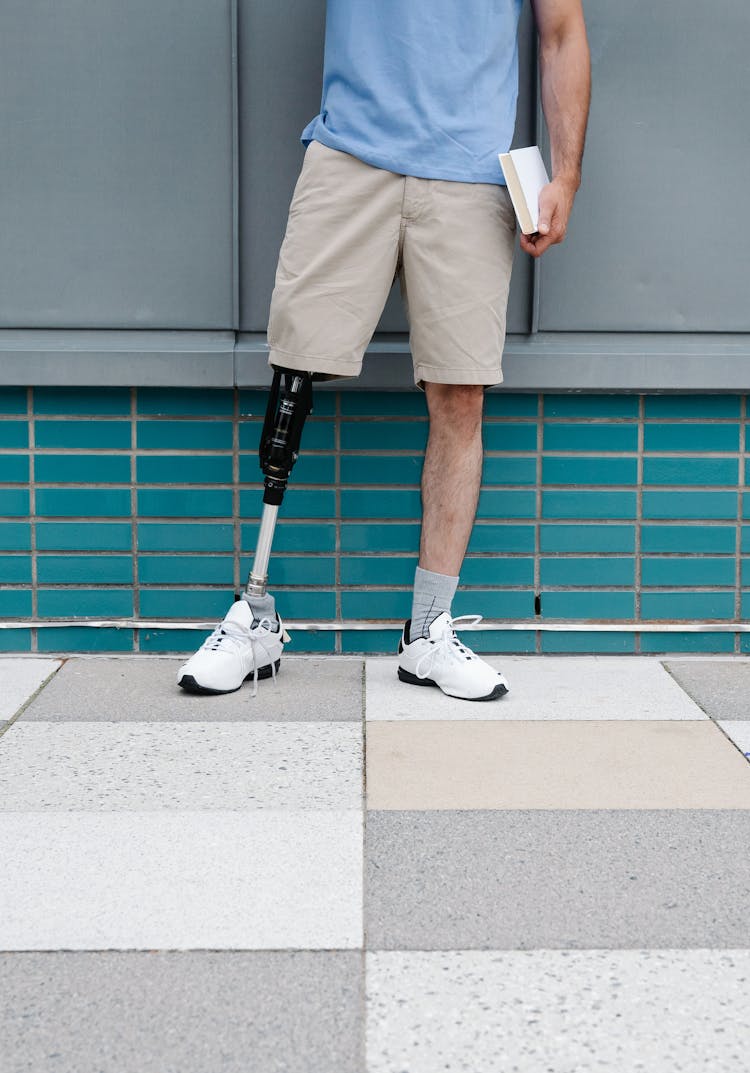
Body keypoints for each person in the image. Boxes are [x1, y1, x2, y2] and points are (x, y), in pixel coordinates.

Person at [178, 0, 591, 701]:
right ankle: (255, 618)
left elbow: (561, 30)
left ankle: (428, 633)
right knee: (294, 374)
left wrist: (566, 174)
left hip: (472, 168)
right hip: (351, 152)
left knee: (460, 395)